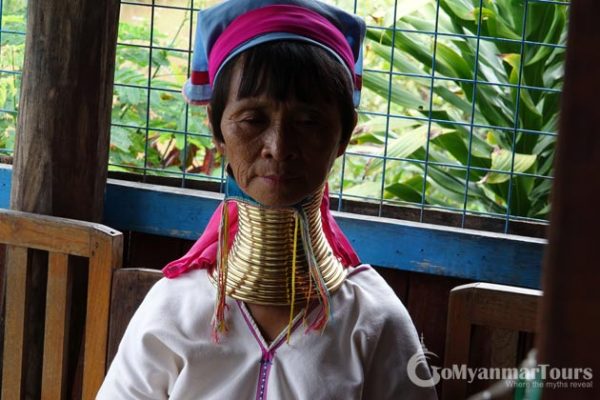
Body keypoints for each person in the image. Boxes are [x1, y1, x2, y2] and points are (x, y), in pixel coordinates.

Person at [98, 0, 438, 398]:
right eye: (252, 120)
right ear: (217, 131)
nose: (278, 147)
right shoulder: (174, 309)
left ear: (343, 136)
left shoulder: (374, 320)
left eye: (309, 122)